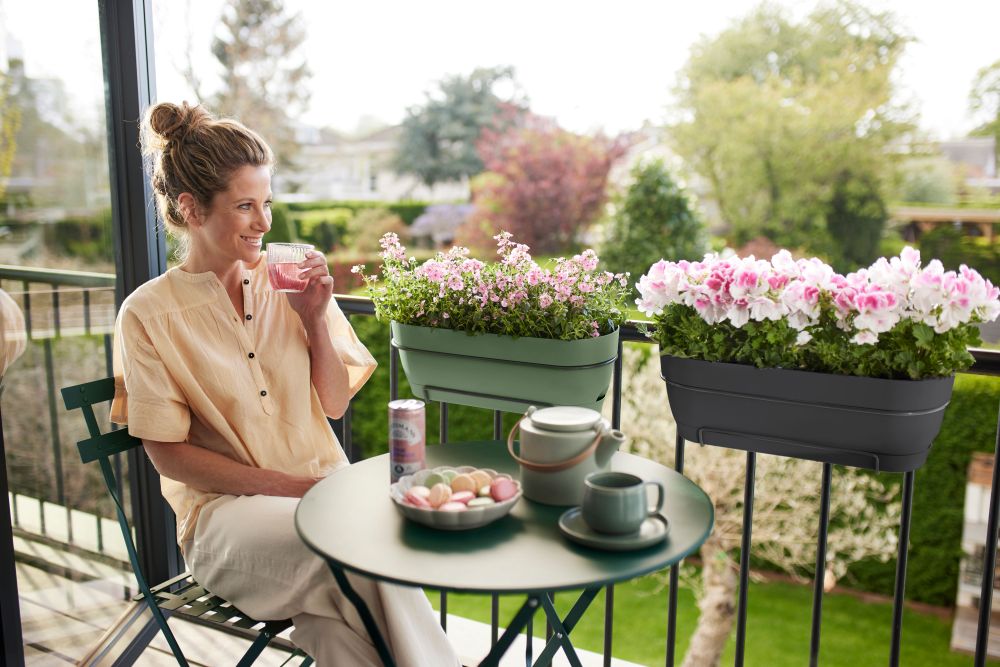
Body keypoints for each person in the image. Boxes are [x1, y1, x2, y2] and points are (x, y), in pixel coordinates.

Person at [110, 101, 458, 666]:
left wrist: (315, 317)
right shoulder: (147, 314)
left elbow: (335, 402)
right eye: (245, 206)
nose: (265, 223)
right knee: (362, 552)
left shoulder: (288, 281)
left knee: (334, 633)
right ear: (191, 208)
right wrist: (295, 489)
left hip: (325, 493)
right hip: (225, 520)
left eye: (266, 202)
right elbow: (171, 459)